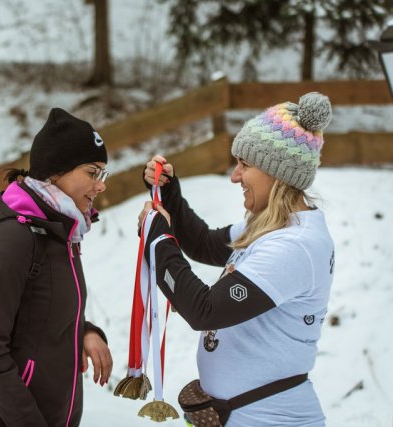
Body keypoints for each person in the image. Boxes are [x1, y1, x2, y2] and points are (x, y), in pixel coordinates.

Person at [138, 92, 334, 426]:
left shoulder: (295, 245)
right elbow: (203, 244)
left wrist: (157, 242)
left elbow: (206, 310)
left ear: (276, 172)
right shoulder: (272, 225)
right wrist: (170, 196)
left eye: (245, 165)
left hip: (270, 418)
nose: (234, 176)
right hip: (247, 414)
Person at [0, 107, 113, 427]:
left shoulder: (59, 232)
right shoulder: (11, 241)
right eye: (92, 172)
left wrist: (84, 331)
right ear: (56, 171)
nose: (100, 185)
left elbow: (38, 312)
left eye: (103, 174)